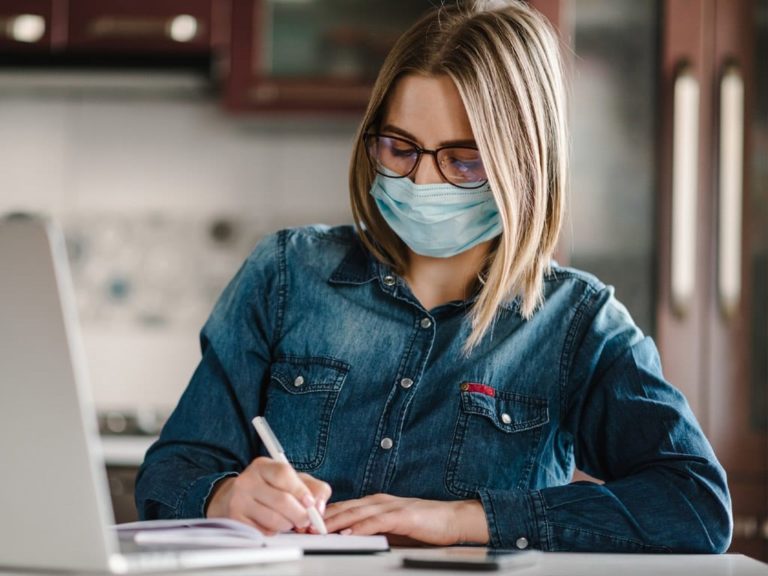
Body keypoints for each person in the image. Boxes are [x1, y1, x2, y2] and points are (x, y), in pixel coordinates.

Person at [135, 0, 732, 552]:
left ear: (524, 164)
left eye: (463, 159)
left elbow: (697, 507)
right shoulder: (286, 274)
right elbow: (170, 474)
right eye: (400, 148)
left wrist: (462, 521)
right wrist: (225, 496)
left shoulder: (578, 322)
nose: (422, 182)